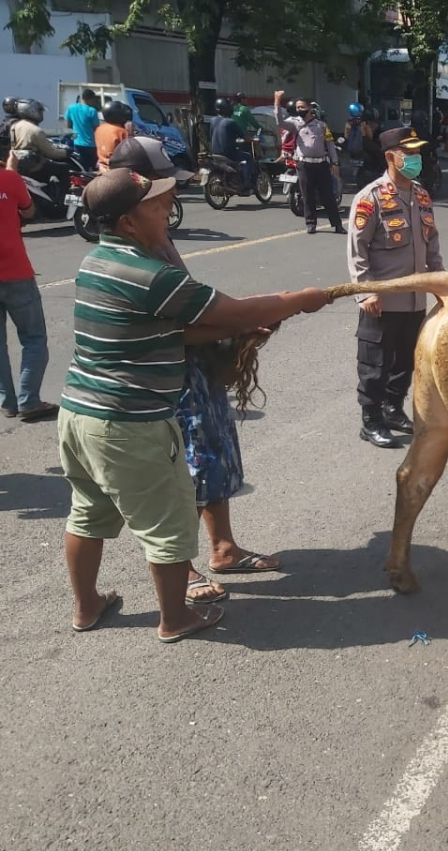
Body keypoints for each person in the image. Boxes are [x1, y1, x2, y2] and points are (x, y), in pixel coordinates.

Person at [61, 168, 333, 641]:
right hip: (130, 424)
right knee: (168, 523)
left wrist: (238, 330)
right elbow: (238, 310)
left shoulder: (97, 262)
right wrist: (299, 299)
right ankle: (176, 619)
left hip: (79, 416)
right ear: (128, 221)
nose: (168, 211)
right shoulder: (154, 276)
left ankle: (86, 607)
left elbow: (177, 331)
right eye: (156, 206)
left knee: (87, 512)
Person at [108, 136, 279, 603]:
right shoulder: (128, 252)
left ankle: (223, 548)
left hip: (191, 372)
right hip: (159, 380)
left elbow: (193, 304)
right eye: (163, 192)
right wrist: (242, 321)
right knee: (182, 472)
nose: (172, 199)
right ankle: (179, 571)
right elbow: (171, 331)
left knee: (212, 453)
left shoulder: (155, 233)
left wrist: (237, 327)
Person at [349, 127, 444, 448]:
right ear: (391, 157)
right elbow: (357, 250)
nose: (417, 159)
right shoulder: (370, 198)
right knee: (375, 363)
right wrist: (366, 291)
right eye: (410, 153)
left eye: (418, 153)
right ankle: (371, 419)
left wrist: (442, 285)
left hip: (414, 301)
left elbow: (432, 244)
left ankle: (392, 408)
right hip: (382, 301)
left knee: (406, 360)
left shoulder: (421, 195)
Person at [1, 151, 56, 422]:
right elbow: (29, 210)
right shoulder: (9, 179)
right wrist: (12, 173)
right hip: (16, 273)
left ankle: (7, 401)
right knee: (34, 338)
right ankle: (29, 400)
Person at [274, 90, 344, 235]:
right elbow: (279, 121)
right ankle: (311, 224)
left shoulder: (321, 125)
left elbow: (330, 144)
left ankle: (337, 225)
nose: (299, 110)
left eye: (302, 107)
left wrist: (335, 163)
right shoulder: (294, 123)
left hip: (321, 164)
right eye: (298, 107)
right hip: (304, 164)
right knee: (307, 195)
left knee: (328, 196)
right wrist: (277, 101)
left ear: (310, 108)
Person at [9, 99, 70, 192]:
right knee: (64, 168)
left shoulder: (15, 126)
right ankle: (62, 197)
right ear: (31, 111)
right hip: (35, 165)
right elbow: (51, 153)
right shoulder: (35, 130)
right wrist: (66, 152)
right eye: (39, 110)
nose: (41, 113)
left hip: (18, 162)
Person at [210, 97, 251, 189]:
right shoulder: (231, 122)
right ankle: (246, 182)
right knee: (248, 158)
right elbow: (244, 137)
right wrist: (251, 140)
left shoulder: (212, 120)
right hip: (229, 154)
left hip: (214, 153)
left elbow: (212, 135)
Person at [65, 89, 100, 171]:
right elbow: (96, 129)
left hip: (76, 143)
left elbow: (68, 126)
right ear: (91, 99)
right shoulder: (92, 111)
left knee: (80, 168)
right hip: (91, 145)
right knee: (93, 170)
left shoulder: (71, 108)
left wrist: (72, 137)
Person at [95, 101, 133, 172]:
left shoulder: (99, 128)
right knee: (144, 182)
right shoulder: (121, 131)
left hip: (101, 165)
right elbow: (130, 151)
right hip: (117, 169)